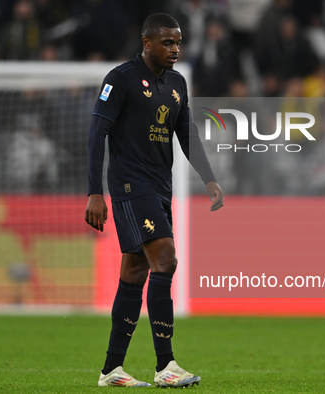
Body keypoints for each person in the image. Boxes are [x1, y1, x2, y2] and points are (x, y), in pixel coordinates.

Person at [85, 13, 224, 388]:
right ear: (147, 43)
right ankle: (166, 365)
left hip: (160, 188)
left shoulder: (177, 84)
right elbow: (98, 133)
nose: (175, 49)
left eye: (178, 42)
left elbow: (187, 134)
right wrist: (94, 192)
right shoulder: (120, 79)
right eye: (167, 42)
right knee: (166, 259)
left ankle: (112, 370)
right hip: (131, 186)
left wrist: (209, 178)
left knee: (135, 271)